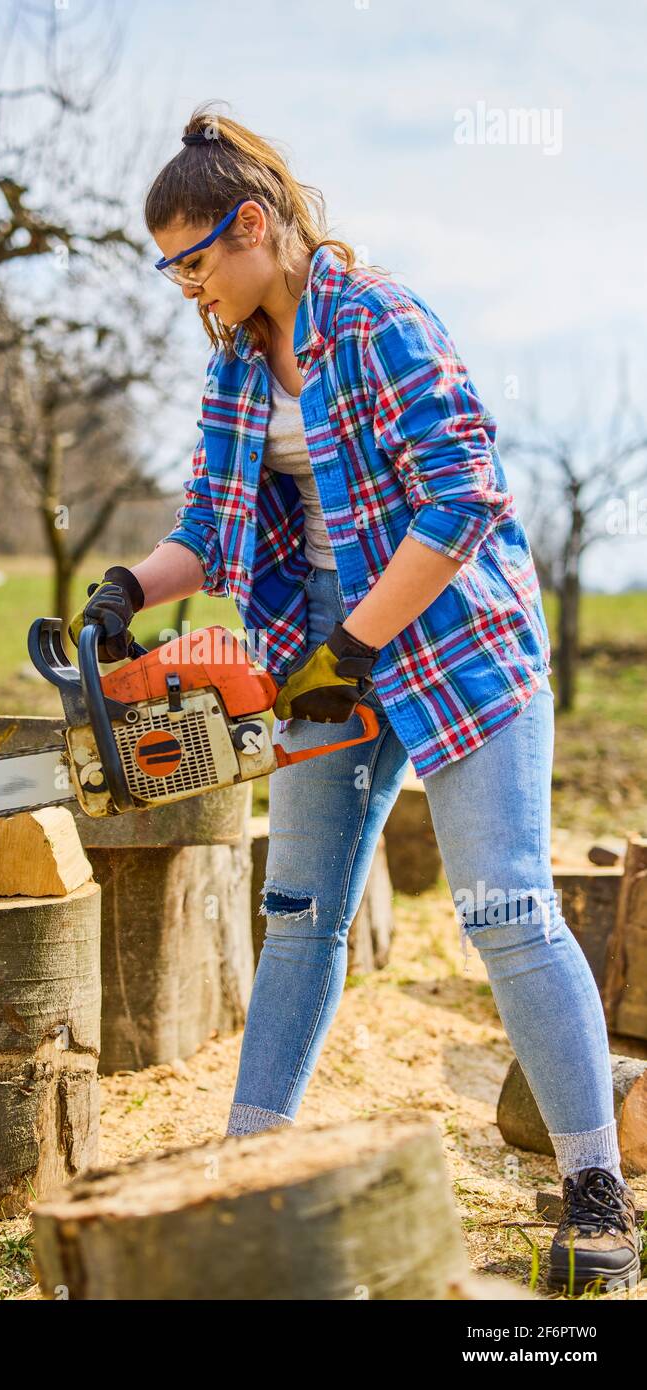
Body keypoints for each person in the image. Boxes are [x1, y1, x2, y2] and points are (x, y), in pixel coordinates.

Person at [68, 107, 641, 1295]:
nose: (188, 291)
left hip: (448, 637)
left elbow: (466, 495)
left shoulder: (376, 318)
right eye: (168, 268)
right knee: (300, 909)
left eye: (193, 262)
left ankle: (597, 1189)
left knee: (504, 907)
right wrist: (131, 586)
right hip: (320, 647)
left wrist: (359, 645)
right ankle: (248, 1159)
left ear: (254, 227)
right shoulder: (233, 357)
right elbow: (213, 529)